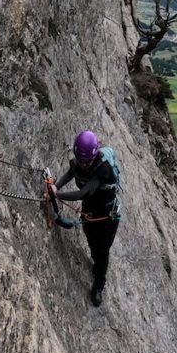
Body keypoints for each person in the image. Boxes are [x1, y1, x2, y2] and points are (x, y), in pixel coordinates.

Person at [51, 130, 121, 306]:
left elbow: (83, 192)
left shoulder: (102, 169)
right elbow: (71, 173)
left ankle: (99, 284)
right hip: (90, 210)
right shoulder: (79, 161)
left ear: (94, 155)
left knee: (102, 250)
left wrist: (56, 194)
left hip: (107, 216)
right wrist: (54, 186)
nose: (83, 165)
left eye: (86, 161)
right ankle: (97, 262)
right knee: (91, 241)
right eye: (81, 161)